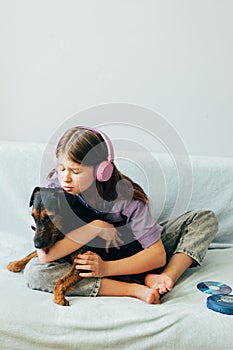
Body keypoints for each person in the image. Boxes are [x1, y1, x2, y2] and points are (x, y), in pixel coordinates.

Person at [24, 126, 218, 304]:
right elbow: (46, 255)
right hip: (83, 258)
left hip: (133, 253)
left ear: (102, 171)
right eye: (62, 168)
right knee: (36, 272)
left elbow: (157, 255)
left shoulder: (127, 198)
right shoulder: (57, 188)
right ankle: (131, 288)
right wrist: (96, 228)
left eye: (75, 171)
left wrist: (106, 268)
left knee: (204, 218)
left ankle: (163, 277)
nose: (65, 177)